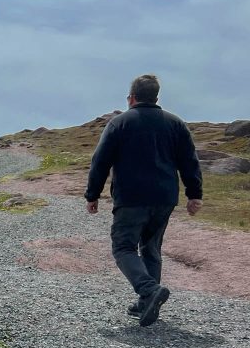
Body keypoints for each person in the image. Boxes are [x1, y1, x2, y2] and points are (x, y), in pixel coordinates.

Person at [85, 74, 203, 327]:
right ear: (156, 97)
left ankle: (149, 290)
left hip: (131, 198)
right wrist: (194, 194)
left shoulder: (119, 123)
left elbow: (101, 161)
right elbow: (189, 161)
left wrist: (92, 195)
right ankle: (145, 303)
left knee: (123, 248)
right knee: (151, 249)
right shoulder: (175, 124)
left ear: (132, 98)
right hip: (164, 198)